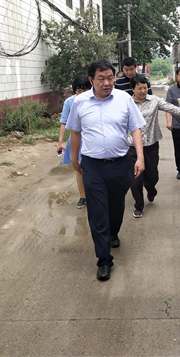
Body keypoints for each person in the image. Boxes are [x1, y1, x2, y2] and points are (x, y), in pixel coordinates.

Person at [66, 60, 145, 281]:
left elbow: (135, 128)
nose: (107, 83)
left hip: (120, 163)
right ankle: (103, 260)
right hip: (93, 165)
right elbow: (75, 132)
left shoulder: (124, 99)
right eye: (101, 79)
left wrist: (140, 157)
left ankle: (113, 232)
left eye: (110, 78)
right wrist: (74, 158)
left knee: (116, 205)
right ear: (92, 80)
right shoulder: (79, 102)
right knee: (97, 212)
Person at [128, 74, 180, 218]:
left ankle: (151, 188)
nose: (143, 91)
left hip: (151, 144)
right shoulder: (127, 103)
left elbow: (168, 107)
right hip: (132, 146)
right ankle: (139, 205)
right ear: (133, 89)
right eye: (139, 88)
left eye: (145, 88)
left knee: (152, 175)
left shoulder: (154, 100)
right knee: (135, 179)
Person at [57, 75, 91, 209]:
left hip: (92, 138)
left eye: (85, 90)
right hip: (77, 138)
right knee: (79, 168)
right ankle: (83, 196)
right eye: (78, 91)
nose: (81, 94)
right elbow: (64, 122)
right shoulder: (69, 102)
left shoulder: (95, 100)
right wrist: (60, 142)